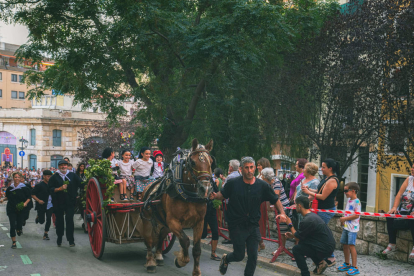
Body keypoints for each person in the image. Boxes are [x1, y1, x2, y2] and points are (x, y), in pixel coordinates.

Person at [209, 157, 286, 276]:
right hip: (237, 224)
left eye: (251, 167)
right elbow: (222, 194)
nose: (249, 170)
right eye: (246, 168)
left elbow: (275, 199)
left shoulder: (262, 185)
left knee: (253, 256)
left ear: (255, 168)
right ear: (241, 169)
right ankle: (227, 258)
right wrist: (215, 196)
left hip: (253, 224)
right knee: (239, 255)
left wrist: (282, 213)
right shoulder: (233, 183)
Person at [277, 196, 336, 276]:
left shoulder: (307, 220)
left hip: (325, 248)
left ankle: (305, 273)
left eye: (295, 205)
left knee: (297, 249)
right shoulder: (311, 216)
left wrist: (290, 224)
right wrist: (292, 235)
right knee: (304, 244)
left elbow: (298, 237)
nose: (295, 207)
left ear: (299, 206)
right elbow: (303, 235)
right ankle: (320, 263)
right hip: (327, 245)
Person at [302, 158, 340, 266]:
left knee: (320, 234)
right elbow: (319, 191)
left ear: (330, 168)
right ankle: (321, 256)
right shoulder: (327, 178)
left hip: (326, 211)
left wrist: (308, 192)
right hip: (322, 210)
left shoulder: (332, 180)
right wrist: (308, 189)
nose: (321, 169)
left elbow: (323, 196)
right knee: (319, 233)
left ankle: (330, 257)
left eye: (323, 167)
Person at [382, 163, 414, 259]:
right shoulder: (409, 179)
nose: (412, 169)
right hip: (403, 210)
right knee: (390, 216)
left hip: (412, 213)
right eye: (412, 167)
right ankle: (392, 244)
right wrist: (394, 207)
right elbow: (399, 194)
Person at [48, 160, 83, 247]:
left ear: (67, 166)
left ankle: (71, 240)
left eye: (65, 165)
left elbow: (81, 184)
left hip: (70, 202)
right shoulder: (54, 177)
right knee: (59, 221)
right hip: (58, 202)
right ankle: (59, 237)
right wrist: (59, 189)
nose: (63, 167)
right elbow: (50, 189)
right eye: (61, 165)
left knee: (69, 219)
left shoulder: (72, 175)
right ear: (59, 166)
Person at [261, 168, 290, 256]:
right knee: (280, 229)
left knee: (282, 230)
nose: (261, 178)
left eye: (262, 176)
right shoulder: (270, 183)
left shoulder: (276, 182)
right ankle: (281, 247)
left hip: (283, 208)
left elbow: (275, 196)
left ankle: (281, 248)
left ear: (266, 177)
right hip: (280, 208)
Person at [2, 172, 31, 248]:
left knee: (19, 223)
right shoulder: (10, 188)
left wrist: (25, 203)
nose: (17, 179)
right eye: (15, 177)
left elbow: (29, 198)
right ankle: (14, 242)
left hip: (21, 209)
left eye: (18, 177)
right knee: (12, 225)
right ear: (13, 178)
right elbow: (8, 197)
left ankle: (19, 228)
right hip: (11, 208)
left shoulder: (24, 188)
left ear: (21, 178)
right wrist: (3, 200)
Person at [337, 182, 361, 275]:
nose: (345, 192)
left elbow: (356, 215)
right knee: (344, 244)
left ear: (353, 191)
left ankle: (355, 267)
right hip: (346, 227)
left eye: (346, 190)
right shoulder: (349, 200)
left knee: (351, 246)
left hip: (353, 229)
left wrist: (344, 218)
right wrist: (344, 221)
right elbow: (348, 212)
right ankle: (347, 263)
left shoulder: (357, 202)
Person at [201, 169, 221, 261]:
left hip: (211, 209)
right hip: (202, 210)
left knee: (215, 232)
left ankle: (213, 253)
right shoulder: (199, 181)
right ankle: (196, 248)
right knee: (203, 234)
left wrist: (214, 195)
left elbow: (217, 192)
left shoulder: (212, 181)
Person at [221, 159, 241, 245]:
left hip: (230, 201)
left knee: (230, 221)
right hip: (239, 201)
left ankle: (231, 238)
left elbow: (224, 188)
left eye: (229, 165)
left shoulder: (230, 177)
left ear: (231, 167)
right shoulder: (240, 175)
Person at [32, 170, 54, 240]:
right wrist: (38, 200)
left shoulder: (52, 185)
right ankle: (38, 216)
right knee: (41, 221)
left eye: (50, 177)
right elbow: (32, 194)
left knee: (48, 219)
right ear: (44, 176)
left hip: (50, 204)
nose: (49, 178)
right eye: (48, 176)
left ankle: (45, 234)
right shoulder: (39, 185)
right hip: (41, 204)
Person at [256, 157, 272, 251]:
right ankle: (260, 242)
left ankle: (259, 242)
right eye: (257, 165)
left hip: (262, 201)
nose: (258, 167)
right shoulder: (259, 175)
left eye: (260, 165)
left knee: (260, 221)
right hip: (257, 200)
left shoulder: (267, 175)